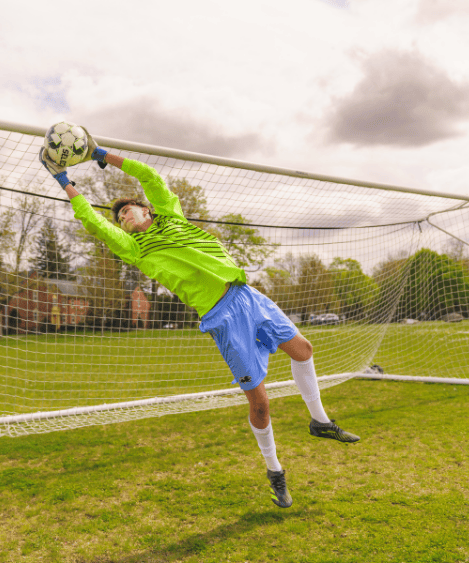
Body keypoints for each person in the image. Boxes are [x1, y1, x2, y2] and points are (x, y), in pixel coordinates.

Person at [40, 130, 360, 509]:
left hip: (247, 294)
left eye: (128, 210)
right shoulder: (135, 249)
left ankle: (320, 421)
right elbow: (93, 223)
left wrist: (98, 153)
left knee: (303, 349)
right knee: (260, 404)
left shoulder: (170, 214)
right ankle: (275, 471)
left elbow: (149, 176)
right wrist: (63, 180)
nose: (123, 217)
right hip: (221, 317)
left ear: (149, 210)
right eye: (120, 217)